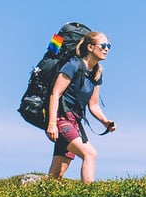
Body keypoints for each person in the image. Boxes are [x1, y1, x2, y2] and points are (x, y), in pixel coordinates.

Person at [45, 31, 116, 184]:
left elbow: (93, 104)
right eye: (103, 46)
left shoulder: (97, 73)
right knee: (90, 154)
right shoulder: (73, 65)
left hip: (75, 122)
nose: (106, 49)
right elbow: (55, 94)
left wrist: (105, 121)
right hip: (61, 119)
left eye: (108, 46)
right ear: (90, 47)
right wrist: (51, 123)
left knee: (57, 174)